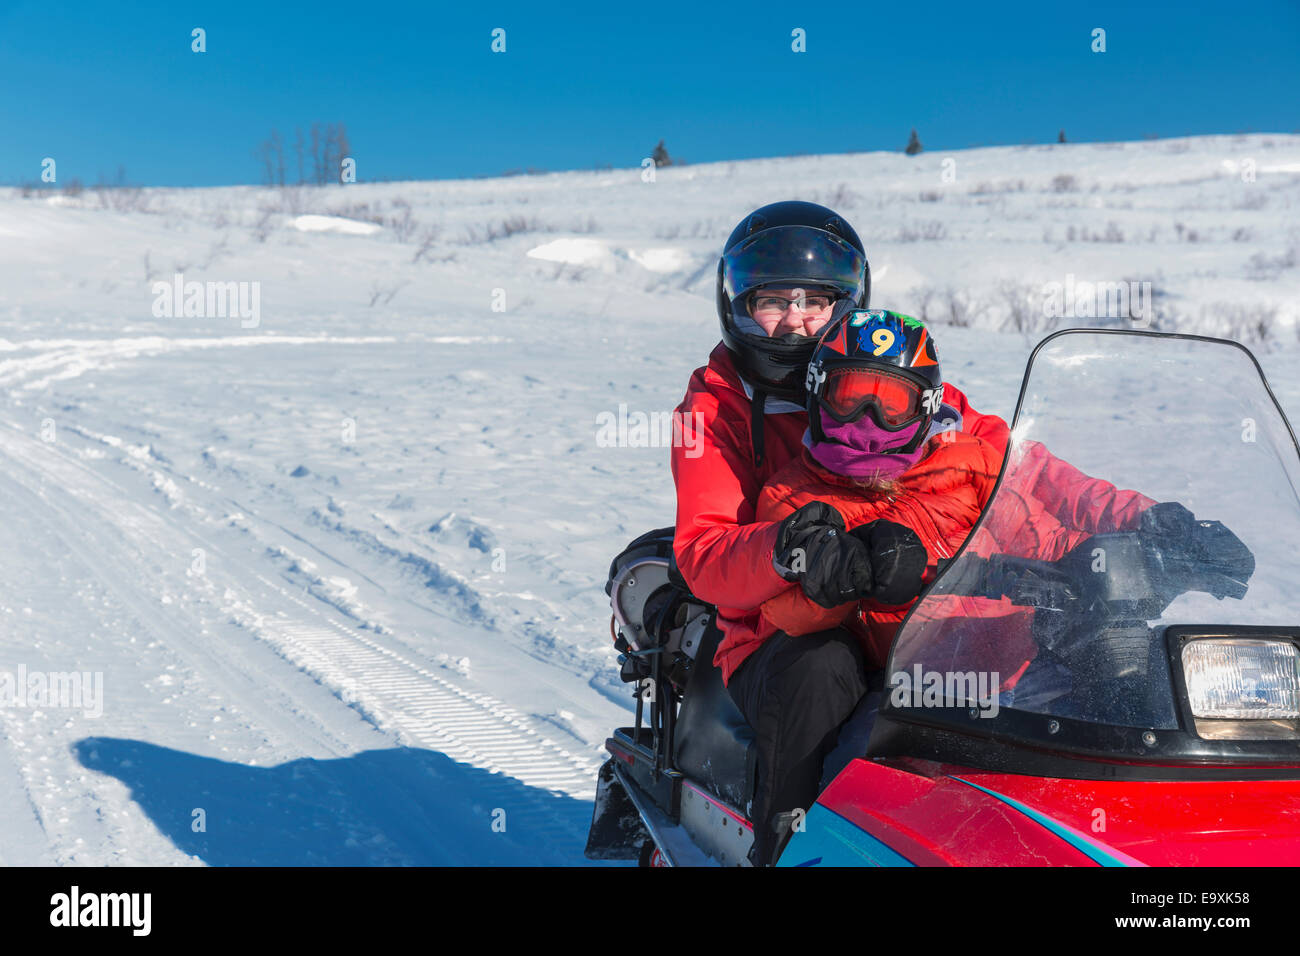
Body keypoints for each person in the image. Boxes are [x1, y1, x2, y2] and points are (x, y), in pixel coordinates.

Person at [669, 201, 1010, 865]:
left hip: (909, 603)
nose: (795, 319)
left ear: (849, 304)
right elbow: (705, 556)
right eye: (772, 300)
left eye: (816, 301)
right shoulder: (711, 408)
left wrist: (1137, 522)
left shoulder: (885, 371)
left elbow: (1005, 461)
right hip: (777, 624)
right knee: (823, 667)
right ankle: (788, 847)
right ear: (735, 305)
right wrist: (794, 552)